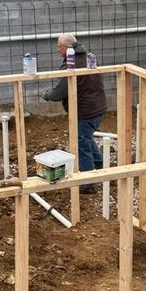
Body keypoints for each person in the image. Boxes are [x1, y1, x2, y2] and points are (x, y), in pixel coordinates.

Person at [42, 34, 107, 191]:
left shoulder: (72, 65)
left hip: (86, 111)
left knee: (81, 141)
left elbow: (60, 92)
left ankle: (88, 182)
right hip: (98, 107)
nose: (57, 50)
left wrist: (47, 95)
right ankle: (100, 164)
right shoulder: (87, 58)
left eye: (59, 47)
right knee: (86, 136)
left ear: (67, 47)